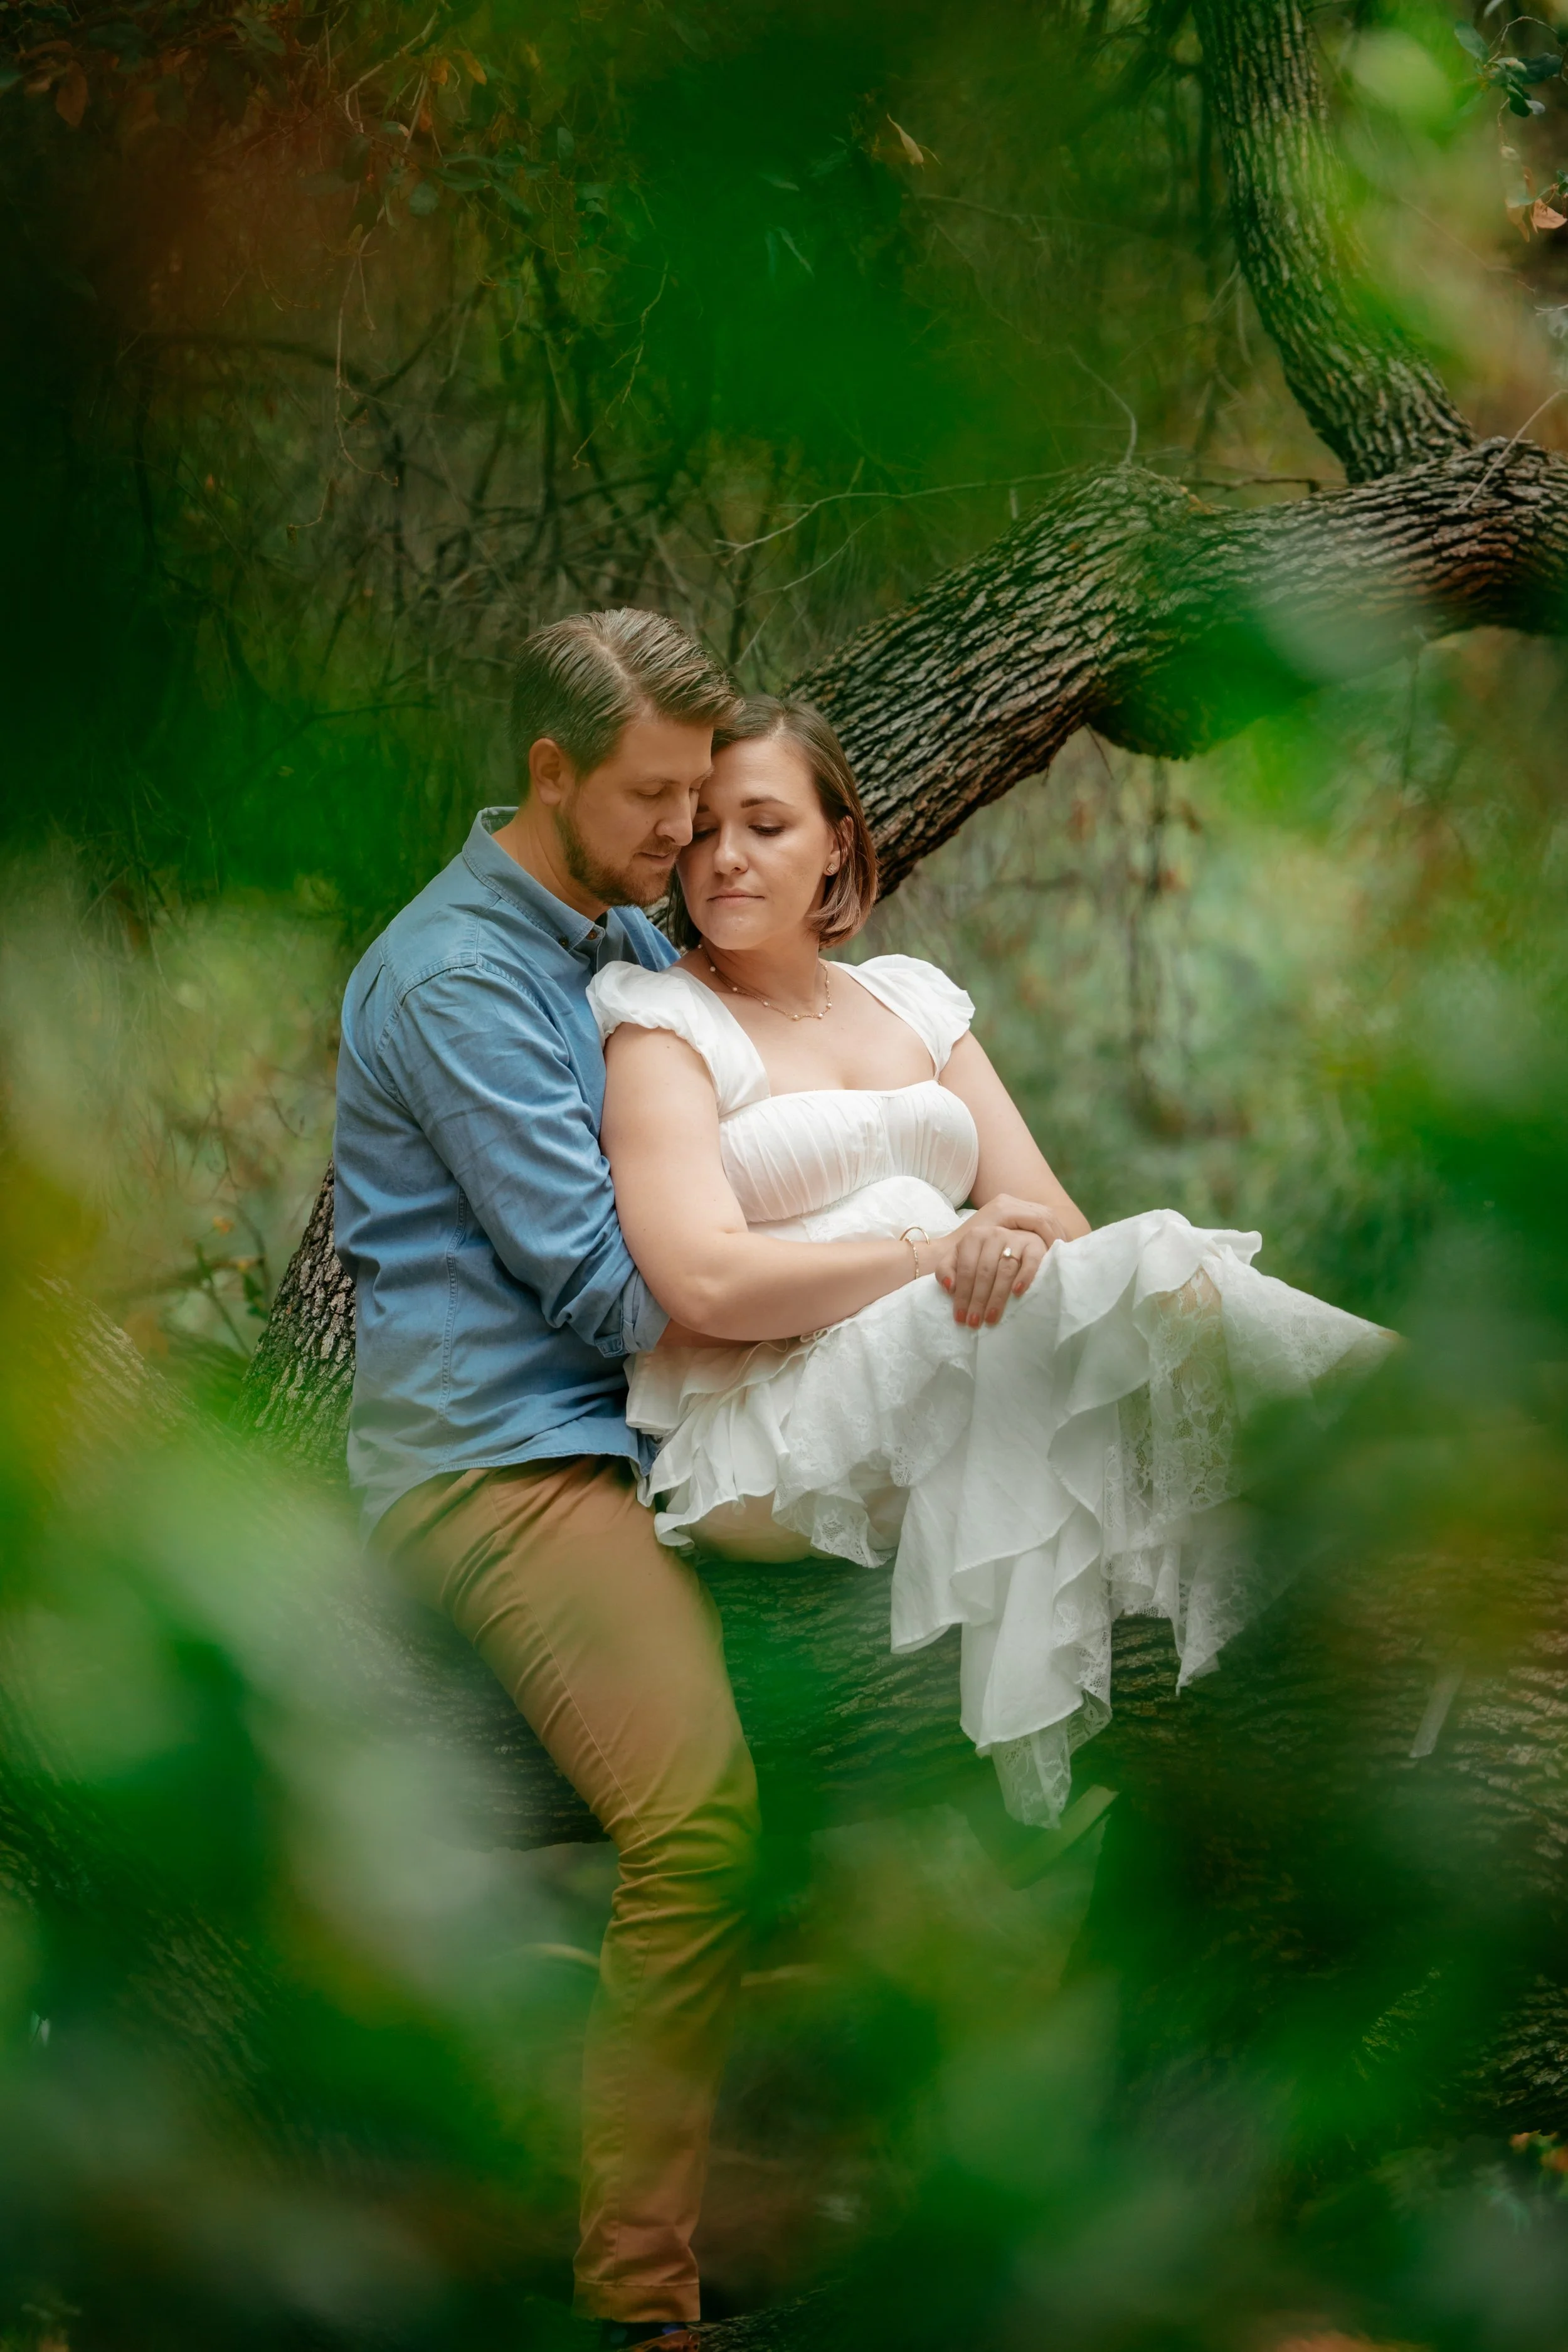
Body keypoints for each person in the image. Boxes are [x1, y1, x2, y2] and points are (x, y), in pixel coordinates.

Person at [332, 614, 1060, 2343]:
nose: (685, 834)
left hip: (676, 1435)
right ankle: (638, 2300)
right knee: (697, 1814)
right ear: (549, 774)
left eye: (707, 800)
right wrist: (915, 1241)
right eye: (657, 795)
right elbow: (623, 1282)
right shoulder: (460, 976)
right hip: (512, 1457)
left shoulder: (617, 930)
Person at [590, 695, 1396, 1828]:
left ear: (838, 844)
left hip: (950, 1343)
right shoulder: (660, 1023)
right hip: (771, 1421)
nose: (723, 856)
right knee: (1144, 1269)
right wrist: (935, 1253)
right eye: (706, 827)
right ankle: (1419, 1437)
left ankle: (1395, 1494)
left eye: (764, 824)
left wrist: (986, 1250)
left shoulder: (914, 1001)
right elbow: (705, 1283)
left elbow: (1051, 1218)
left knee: (1151, 1259)